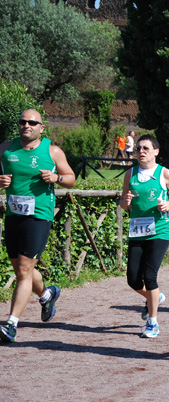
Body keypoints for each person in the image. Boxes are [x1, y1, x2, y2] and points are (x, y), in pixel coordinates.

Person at [0, 109, 76, 343]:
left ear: (41, 127)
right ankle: (46, 294)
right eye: (23, 121)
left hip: (40, 215)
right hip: (14, 214)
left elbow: (71, 178)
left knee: (23, 269)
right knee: (21, 269)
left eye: (32, 122)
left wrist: (57, 178)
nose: (27, 125)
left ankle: (11, 324)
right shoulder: (5, 148)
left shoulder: (52, 151)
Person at [119, 134, 169, 338]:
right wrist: (126, 202)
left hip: (160, 230)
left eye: (146, 148)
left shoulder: (165, 173)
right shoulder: (130, 174)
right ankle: (155, 297)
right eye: (138, 148)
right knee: (133, 279)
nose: (141, 152)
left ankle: (152, 322)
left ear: (156, 151)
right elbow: (123, 202)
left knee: (150, 275)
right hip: (138, 230)